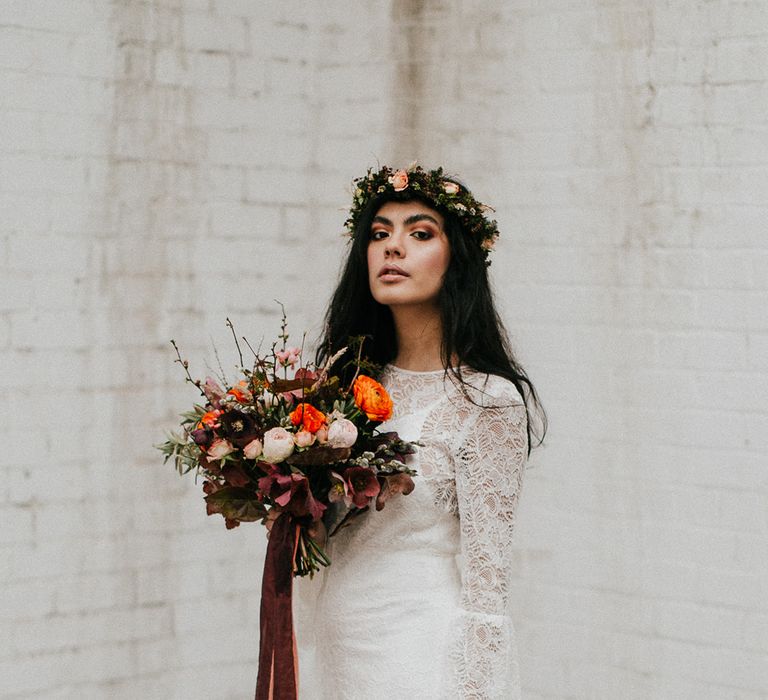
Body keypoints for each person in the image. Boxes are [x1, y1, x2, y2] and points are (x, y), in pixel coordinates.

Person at [295, 164, 546, 699]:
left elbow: (487, 587)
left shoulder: (486, 401)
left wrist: (476, 688)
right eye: (379, 234)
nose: (392, 248)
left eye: (420, 233)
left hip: (419, 655)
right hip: (334, 644)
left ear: (457, 261)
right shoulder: (343, 391)